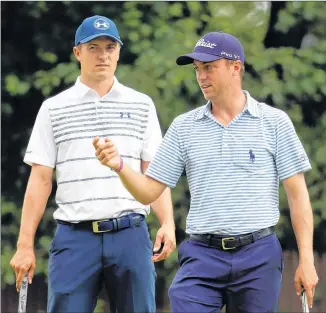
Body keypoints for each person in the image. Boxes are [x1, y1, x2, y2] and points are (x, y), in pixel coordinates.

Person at [93, 31, 319, 312]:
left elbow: (298, 196)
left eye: (209, 67)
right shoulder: (183, 127)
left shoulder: (274, 123)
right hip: (202, 255)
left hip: (259, 255)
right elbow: (149, 191)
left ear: (235, 68)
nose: (201, 76)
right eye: (197, 69)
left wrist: (306, 261)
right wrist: (120, 167)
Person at [10, 15, 176, 313]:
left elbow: (154, 172)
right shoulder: (53, 108)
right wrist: (25, 244)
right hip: (75, 238)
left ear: (119, 52)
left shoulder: (141, 104)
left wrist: (167, 222)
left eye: (110, 47)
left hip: (130, 234)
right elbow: (41, 180)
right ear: (77, 52)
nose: (103, 55)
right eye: (93, 47)